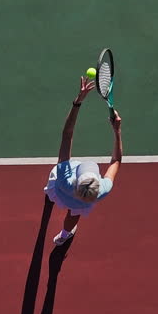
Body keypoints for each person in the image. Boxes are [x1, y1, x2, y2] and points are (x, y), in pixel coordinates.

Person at [43, 76, 123, 245]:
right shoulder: (102, 190)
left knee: (53, 190)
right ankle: (64, 235)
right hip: (75, 202)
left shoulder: (64, 180)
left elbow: (67, 135)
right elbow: (116, 161)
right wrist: (117, 131)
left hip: (58, 191)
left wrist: (78, 102)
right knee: (74, 214)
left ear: (77, 180)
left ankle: (50, 199)